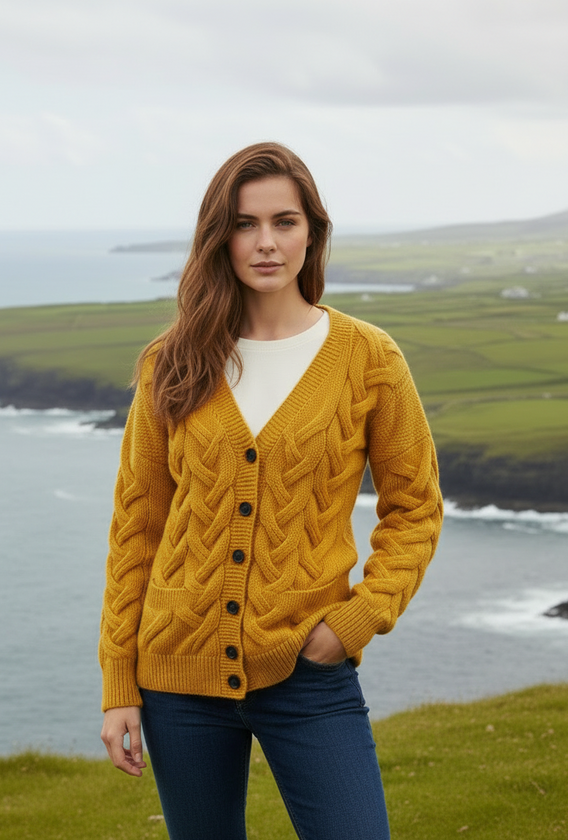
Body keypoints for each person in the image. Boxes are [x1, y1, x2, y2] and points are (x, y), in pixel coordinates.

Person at [99, 141, 443, 840]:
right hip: (177, 680)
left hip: (310, 677)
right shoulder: (172, 362)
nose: (265, 243)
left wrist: (356, 619)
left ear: (311, 231)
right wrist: (118, 684)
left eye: (284, 222)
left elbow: (416, 508)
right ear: (217, 236)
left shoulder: (369, 358)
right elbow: (138, 527)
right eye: (244, 224)